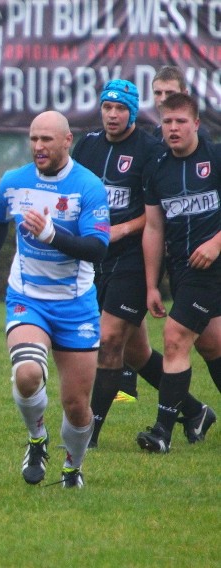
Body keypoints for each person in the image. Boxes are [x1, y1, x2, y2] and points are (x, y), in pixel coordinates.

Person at [0, 110, 110, 488]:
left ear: (67, 141)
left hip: (75, 303)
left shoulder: (88, 187)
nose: (38, 146)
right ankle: (37, 439)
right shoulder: (14, 181)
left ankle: (72, 468)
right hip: (27, 296)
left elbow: (97, 248)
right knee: (28, 374)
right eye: (33, 138)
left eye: (46, 139)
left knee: (77, 407)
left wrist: (52, 235)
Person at [72, 80, 212, 448]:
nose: (113, 115)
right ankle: (196, 411)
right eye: (107, 107)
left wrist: (119, 231)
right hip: (98, 262)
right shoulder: (87, 146)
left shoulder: (152, 151)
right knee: (142, 352)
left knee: (111, 339)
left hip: (131, 260)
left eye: (120, 108)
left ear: (133, 112)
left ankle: (90, 433)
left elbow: (151, 220)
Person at [136, 93, 221, 453]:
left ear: (196, 124)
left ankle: (162, 432)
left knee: (174, 338)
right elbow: (154, 228)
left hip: (213, 266)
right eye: (167, 121)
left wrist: (217, 242)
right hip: (182, 270)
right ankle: (200, 416)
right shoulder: (156, 165)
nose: (173, 128)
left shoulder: (216, 157)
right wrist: (151, 284)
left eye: (180, 122)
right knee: (212, 343)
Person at [150, 66, 211, 141]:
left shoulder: (199, 136)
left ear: (184, 94)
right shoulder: (157, 132)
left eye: (170, 93)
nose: (163, 99)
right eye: (158, 93)